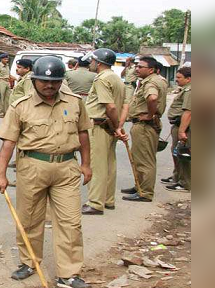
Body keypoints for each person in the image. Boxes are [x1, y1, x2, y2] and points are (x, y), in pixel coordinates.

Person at [0, 56, 92, 288]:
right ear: (34, 80)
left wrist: (86, 164)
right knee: (29, 219)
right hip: (32, 167)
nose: (50, 86)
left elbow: (84, 134)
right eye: (45, 82)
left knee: (71, 222)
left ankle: (69, 274)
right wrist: (0, 174)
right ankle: (29, 262)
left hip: (67, 167)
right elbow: (8, 143)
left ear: (61, 81)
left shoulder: (75, 103)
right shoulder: (21, 106)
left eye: (55, 82)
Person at [81, 48, 126, 215]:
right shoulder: (116, 78)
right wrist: (117, 127)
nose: (90, 64)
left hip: (100, 125)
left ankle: (95, 203)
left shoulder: (102, 79)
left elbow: (110, 106)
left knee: (97, 165)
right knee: (109, 163)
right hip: (109, 126)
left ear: (98, 63)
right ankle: (108, 199)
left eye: (92, 61)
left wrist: (115, 126)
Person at [121, 56, 168, 202]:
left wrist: (149, 115)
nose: (137, 69)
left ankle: (145, 192)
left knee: (144, 160)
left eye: (140, 67)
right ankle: (140, 186)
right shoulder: (158, 79)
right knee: (140, 157)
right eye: (136, 66)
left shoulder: (151, 82)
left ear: (151, 69)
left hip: (145, 126)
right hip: (144, 125)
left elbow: (152, 98)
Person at [162, 67, 191, 192]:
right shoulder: (185, 89)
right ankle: (178, 176)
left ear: (188, 78)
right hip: (179, 125)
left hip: (185, 127)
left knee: (183, 154)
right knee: (176, 152)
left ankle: (185, 182)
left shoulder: (190, 91)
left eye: (179, 77)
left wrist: (182, 131)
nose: (176, 80)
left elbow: (189, 112)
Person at [0, 53, 12, 118]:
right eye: (5, 59)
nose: (6, 60)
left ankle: (6, 112)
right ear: (1, 59)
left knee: (8, 98)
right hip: (1, 81)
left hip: (7, 82)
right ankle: (0, 113)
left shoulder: (7, 66)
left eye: (7, 59)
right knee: (1, 97)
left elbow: (9, 75)